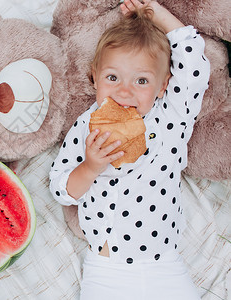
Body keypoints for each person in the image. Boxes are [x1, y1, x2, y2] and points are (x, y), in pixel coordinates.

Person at [49, 0, 210, 299]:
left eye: (141, 80)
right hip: (106, 269)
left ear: (163, 85)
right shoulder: (87, 126)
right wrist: (90, 167)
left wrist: (156, 14)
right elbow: (60, 188)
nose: (125, 91)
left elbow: (195, 66)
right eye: (113, 77)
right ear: (94, 77)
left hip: (165, 265)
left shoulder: (170, 117)